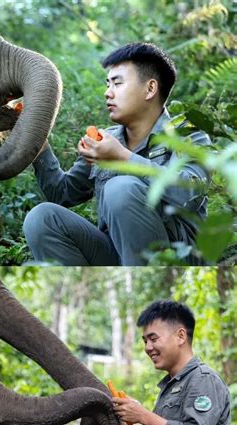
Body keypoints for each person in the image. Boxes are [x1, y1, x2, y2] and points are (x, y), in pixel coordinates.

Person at [23, 43, 211, 265]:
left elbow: (189, 194)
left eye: (117, 83)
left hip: (176, 258)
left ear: (150, 89)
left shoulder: (188, 135)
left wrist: (123, 158)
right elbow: (63, 193)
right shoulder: (107, 141)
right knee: (43, 217)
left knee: (120, 188)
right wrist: (36, 142)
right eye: (107, 84)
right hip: (117, 255)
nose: (107, 92)